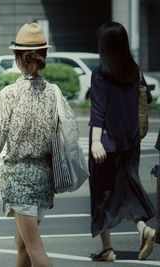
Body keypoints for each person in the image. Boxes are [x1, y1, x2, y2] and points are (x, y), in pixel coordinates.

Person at [0, 22, 75, 267]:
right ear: (43, 55)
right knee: (23, 245)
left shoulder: (8, 95)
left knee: (34, 248)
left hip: (19, 180)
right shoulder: (53, 92)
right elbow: (67, 131)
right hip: (44, 179)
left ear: (18, 57)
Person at [89, 21, 156, 261]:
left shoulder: (100, 73)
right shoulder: (134, 70)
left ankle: (107, 248)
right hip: (130, 143)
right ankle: (144, 229)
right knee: (126, 190)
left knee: (102, 194)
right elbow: (147, 98)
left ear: (104, 45)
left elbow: (98, 109)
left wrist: (96, 141)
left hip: (105, 143)